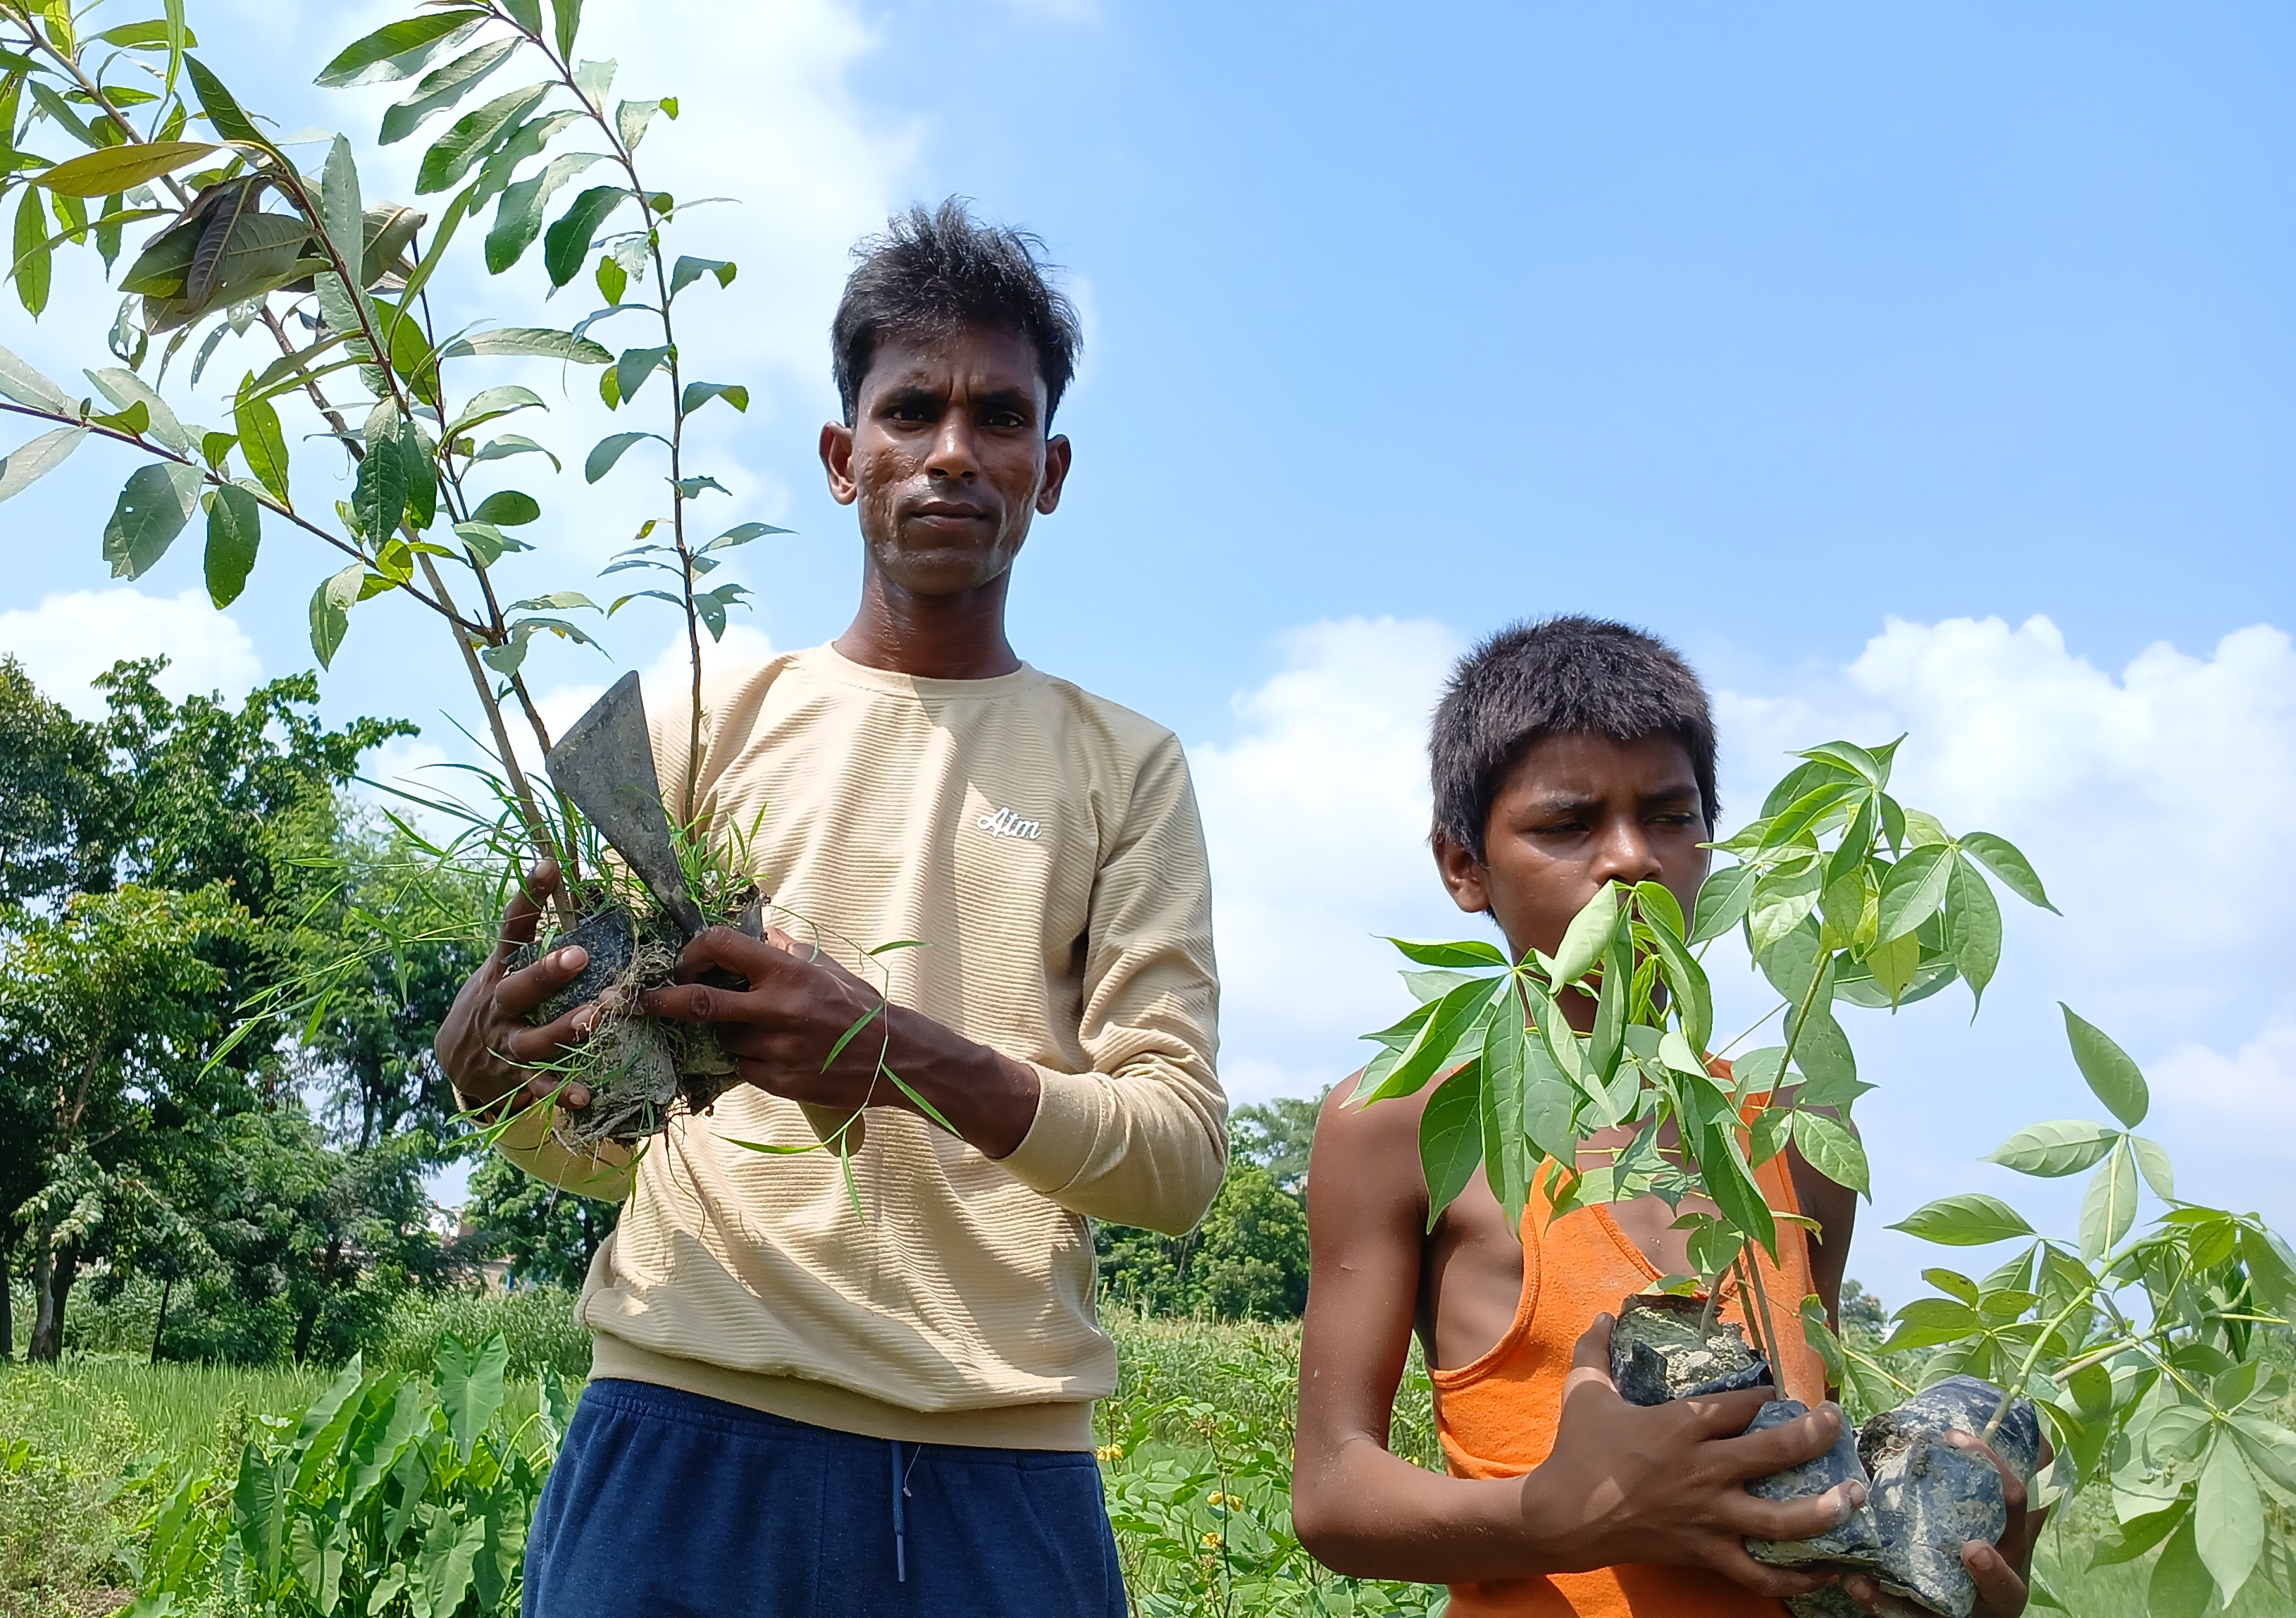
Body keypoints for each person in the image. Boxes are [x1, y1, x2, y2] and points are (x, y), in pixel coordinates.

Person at [433, 200, 1228, 1617]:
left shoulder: (1129, 765)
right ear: (841, 454)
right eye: (910, 407)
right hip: (685, 1427)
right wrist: (496, 1086)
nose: (950, 451)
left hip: (997, 1467)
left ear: (1050, 471)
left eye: (999, 416)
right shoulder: (683, 719)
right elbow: (612, 1144)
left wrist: (898, 1052)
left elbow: (1174, 1159)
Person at [1289, 617, 2045, 1617]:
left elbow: (1805, 1464)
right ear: (1463, 865)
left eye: (1670, 815)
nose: (1630, 862)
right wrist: (1564, 1514)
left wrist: (1930, 1561)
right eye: (1566, 825)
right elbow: (1332, 1489)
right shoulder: (1400, 1119)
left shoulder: (1796, 1128)